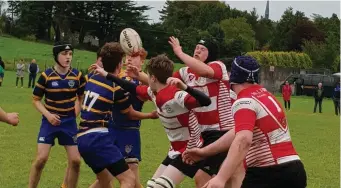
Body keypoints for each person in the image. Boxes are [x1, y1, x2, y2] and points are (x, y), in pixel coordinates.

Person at [183, 56, 307, 188]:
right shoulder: (266, 95)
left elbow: (243, 139)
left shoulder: (244, 101)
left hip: (269, 172)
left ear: (233, 77)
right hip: (294, 170)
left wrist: (220, 178)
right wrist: (204, 152)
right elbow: (237, 132)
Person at [90, 54, 212, 188]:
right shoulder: (152, 92)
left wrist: (185, 87)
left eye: (148, 76)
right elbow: (130, 86)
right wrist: (106, 74)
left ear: (153, 78)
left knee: (160, 186)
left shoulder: (176, 95)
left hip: (191, 149)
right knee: (151, 186)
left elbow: (206, 101)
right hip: (175, 149)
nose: (146, 79)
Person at [168, 37, 243, 187]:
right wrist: (140, 75)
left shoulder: (217, 66)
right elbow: (163, 83)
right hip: (201, 135)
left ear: (211, 54)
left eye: (203, 49)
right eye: (196, 47)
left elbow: (206, 71)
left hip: (221, 132)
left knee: (203, 177)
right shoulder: (186, 72)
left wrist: (179, 52)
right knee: (227, 177)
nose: (197, 50)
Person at [88, 48, 158, 188]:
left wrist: (140, 77)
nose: (129, 59)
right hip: (114, 129)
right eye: (127, 56)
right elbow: (129, 112)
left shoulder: (144, 82)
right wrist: (150, 115)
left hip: (129, 131)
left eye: (133, 56)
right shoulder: (117, 76)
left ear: (142, 61)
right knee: (128, 175)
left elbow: (155, 89)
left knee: (111, 176)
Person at [77, 42, 138, 188]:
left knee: (104, 181)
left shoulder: (92, 77)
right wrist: (152, 115)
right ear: (119, 64)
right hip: (97, 137)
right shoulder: (116, 87)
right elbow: (129, 113)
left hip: (82, 138)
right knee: (129, 179)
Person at [29, 42, 85, 188]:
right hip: (49, 122)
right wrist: (48, 115)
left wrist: (76, 113)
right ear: (56, 56)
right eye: (64, 54)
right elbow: (35, 100)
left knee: (76, 161)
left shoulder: (77, 76)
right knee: (41, 159)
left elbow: (81, 97)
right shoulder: (46, 76)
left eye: (70, 54)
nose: (68, 57)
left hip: (69, 122)